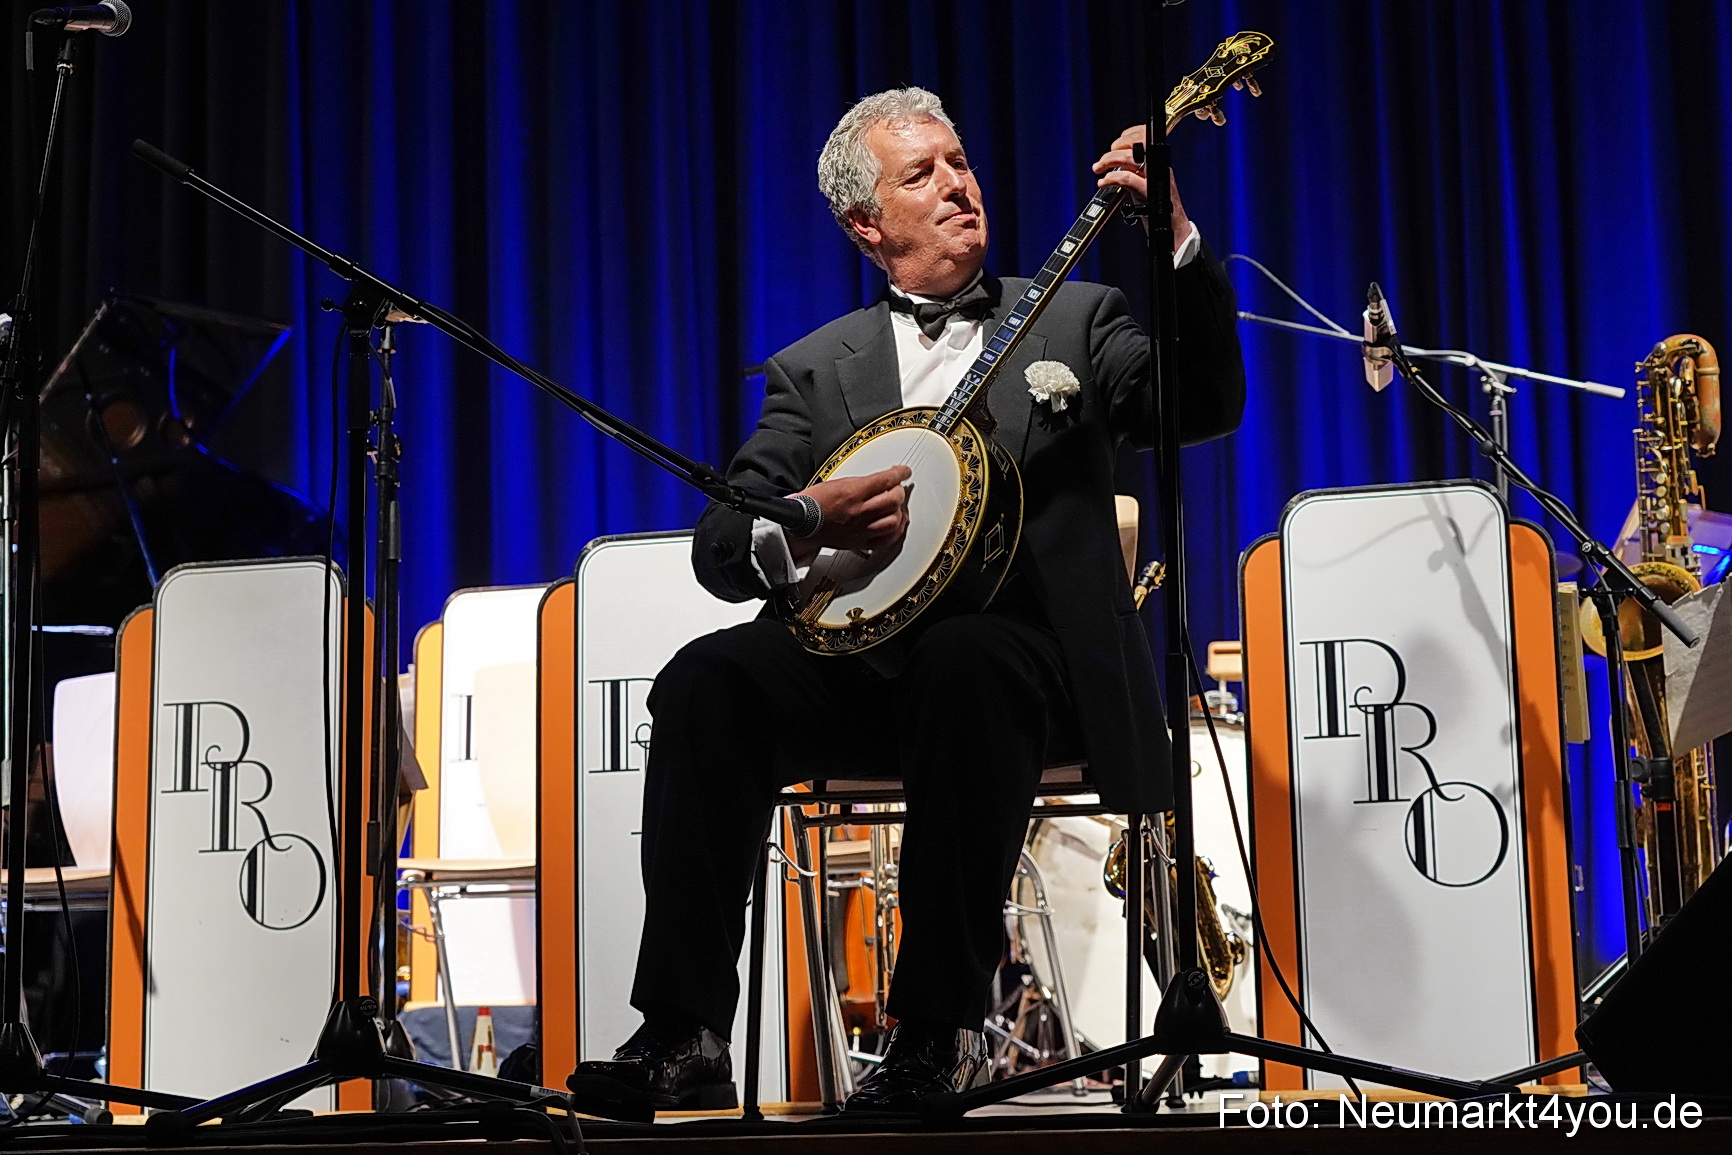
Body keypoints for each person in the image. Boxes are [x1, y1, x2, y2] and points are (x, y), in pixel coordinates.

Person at [567, 87, 1244, 1116]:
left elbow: (1204, 406)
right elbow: (719, 548)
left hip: (1027, 671)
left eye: (960, 162)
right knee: (707, 680)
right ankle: (683, 1029)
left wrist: (1179, 240)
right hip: (862, 674)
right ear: (865, 224)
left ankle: (936, 1034)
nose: (958, 185)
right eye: (921, 173)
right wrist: (805, 514)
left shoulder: (1075, 315)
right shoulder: (814, 369)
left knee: (965, 659)